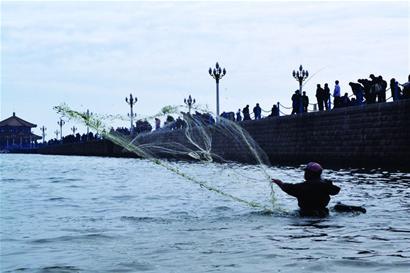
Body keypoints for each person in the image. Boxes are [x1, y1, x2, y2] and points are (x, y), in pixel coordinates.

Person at [271, 162, 340, 217]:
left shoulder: (302, 187)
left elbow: (289, 188)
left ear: (308, 174)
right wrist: (327, 183)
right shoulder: (326, 185)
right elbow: (336, 190)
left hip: (305, 214)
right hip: (323, 213)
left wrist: (280, 183)